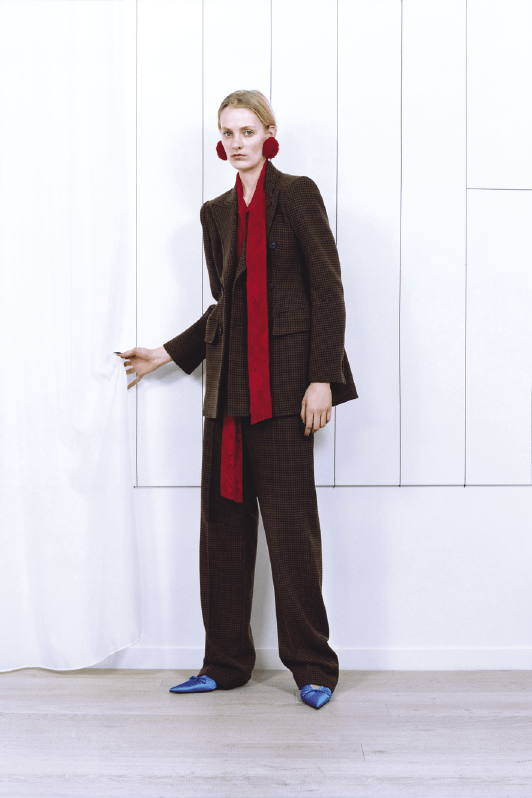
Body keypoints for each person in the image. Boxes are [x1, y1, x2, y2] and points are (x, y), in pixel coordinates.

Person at [119, 90, 358, 709]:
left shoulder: (297, 195)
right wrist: (165, 353)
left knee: (291, 533)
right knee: (222, 530)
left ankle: (313, 668)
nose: (236, 143)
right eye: (227, 133)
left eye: (247, 131)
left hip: (285, 391)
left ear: (268, 133)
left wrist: (322, 378)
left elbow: (328, 290)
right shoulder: (215, 213)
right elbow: (227, 305)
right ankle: (224, 664)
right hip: (228, 392)